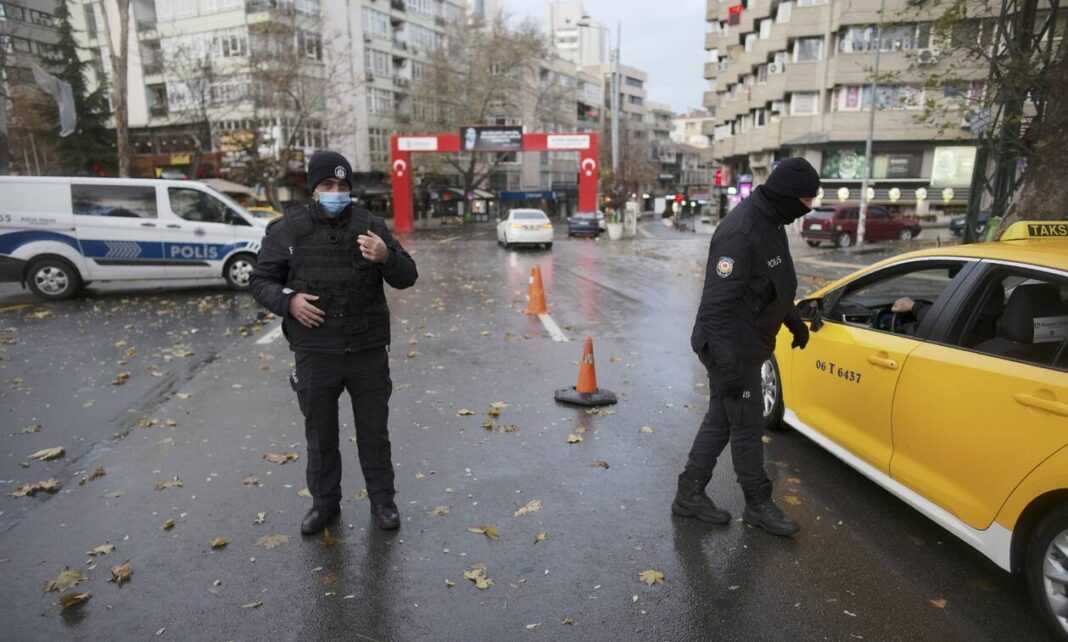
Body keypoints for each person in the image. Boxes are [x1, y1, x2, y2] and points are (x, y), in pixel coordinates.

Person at [250, 150, 418, 535]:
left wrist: (385, 256)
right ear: (313, 189)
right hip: (316, 352)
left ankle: (383, 502)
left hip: (367, 350)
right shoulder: (287, 230)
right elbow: (260, 280)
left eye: (343, 185)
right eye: (328, 184)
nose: (336, 192)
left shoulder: (371, 226)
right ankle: (325, 505)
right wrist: (289, 302)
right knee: (320, 436)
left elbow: (407, 276)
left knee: (374, 434)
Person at [673, 157, 819, 538]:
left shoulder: (772, 222)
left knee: (721, 420)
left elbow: (771, 283)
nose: (809, 207)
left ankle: (689, 493)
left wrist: (792, 322)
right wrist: (730, 368)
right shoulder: (740, 231)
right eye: (806, 201)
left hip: (747, 342)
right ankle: (758, 505)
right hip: (730, 348)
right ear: (787, 197)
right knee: (747, 425)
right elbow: (716, 309)